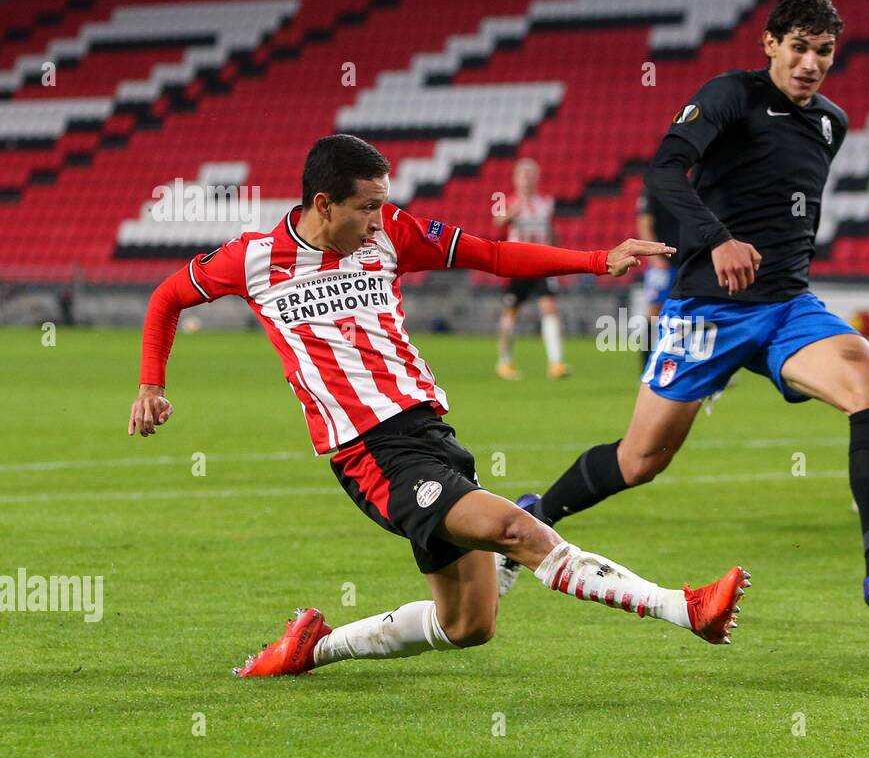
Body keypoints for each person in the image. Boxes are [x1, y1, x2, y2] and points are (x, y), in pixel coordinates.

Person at [127, 134, 749, 677]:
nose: (379, 219)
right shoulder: (255, 258)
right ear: (324, 203)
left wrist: (594, 260)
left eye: (382, 203)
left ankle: (311, 648)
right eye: (366, 206)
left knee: (469, 625)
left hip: (432, 435)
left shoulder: (393, 233)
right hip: (371, 452)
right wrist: (151, 386)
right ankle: (686, 609)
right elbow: (166, 297)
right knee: (517, 530)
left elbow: (493, 254)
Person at [501, 0, 869, 611]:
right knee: (640, 461)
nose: (810, 63)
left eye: (823, 52)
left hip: (787, 308)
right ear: (770, 43)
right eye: (798, 48)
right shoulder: (729, 96)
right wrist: (718, 240)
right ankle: (531, 520)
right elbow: (664, 169)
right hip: (706, 312)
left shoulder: (832, 123)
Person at [492, 158, 569, 380]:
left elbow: (552, 229)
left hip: (542, 262)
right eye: (522, 175)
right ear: (515, 179)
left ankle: (556, 363)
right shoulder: (505, 200)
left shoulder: (546, 201)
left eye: (530, 175)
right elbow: (497, 222)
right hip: (517, 263)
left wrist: (557, 250)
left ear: (536, 178)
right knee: (511, 312)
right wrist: (512, 212)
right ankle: (504, 362)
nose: (526, 179)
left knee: (549, 307)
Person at [635, 184, 680, 367]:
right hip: (663, 264)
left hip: (687, 260)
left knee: (694, 312)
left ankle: (701, 366)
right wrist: (655, 256)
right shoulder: (654, 189)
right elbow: (644, 223)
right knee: (655, 312)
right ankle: (646, 365)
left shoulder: (688, 187)